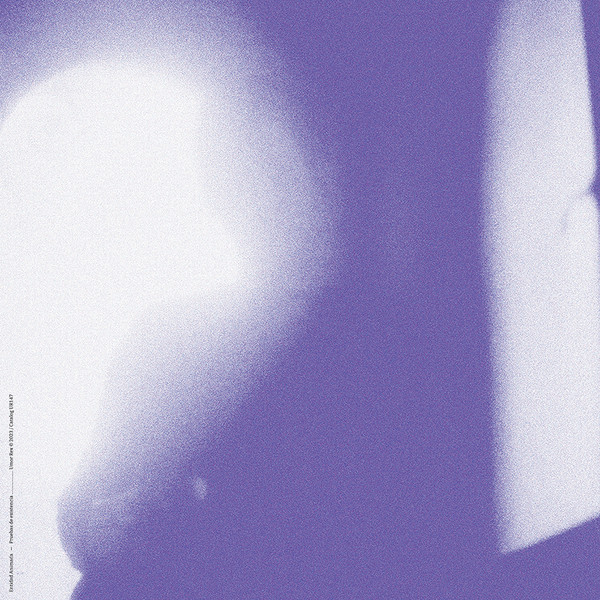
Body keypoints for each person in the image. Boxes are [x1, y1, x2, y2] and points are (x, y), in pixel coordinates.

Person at [2, 1, 598, 598]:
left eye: (272, 158)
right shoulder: (171, 337)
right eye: (243, 161)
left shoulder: (380, 339)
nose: (261, 181)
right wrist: (124, 515)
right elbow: (86, 514)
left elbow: (399, 525)